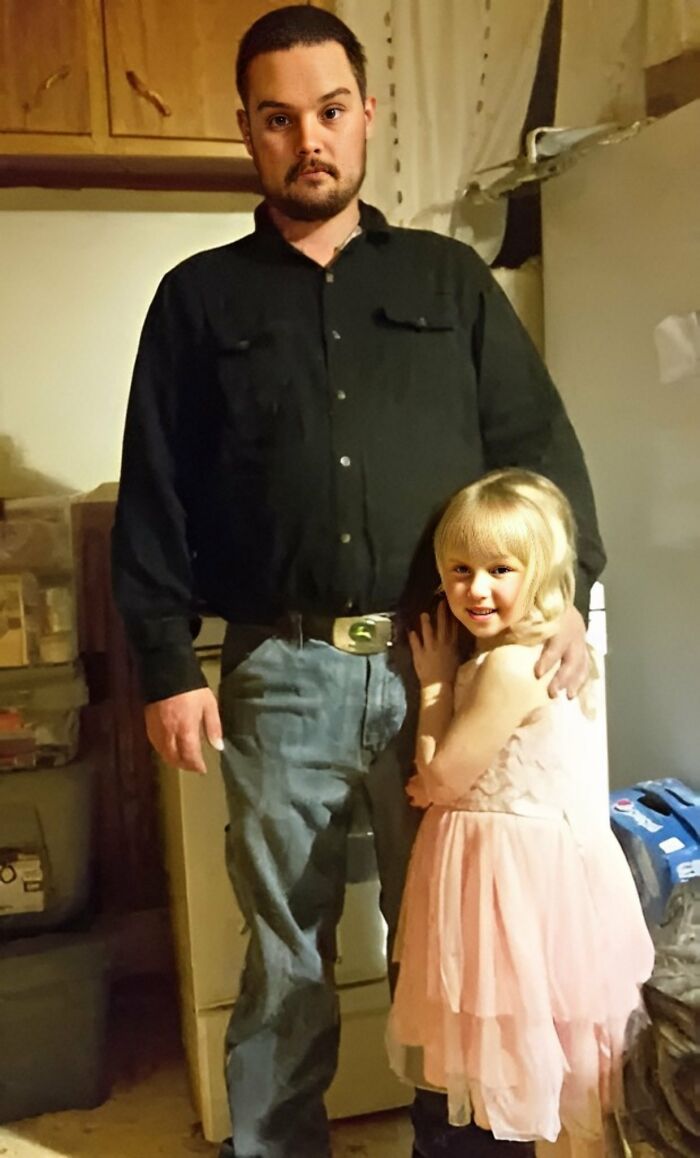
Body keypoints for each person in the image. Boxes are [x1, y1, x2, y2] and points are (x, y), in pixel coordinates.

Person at [111, 7, 607, 1157]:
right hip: (279, 670)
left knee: (447, 937)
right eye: (278, 119)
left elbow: (541, 450)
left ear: (367, 115)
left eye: (330, 112)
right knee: (286, 948)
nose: (309, 140)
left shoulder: (450, 278)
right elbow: (154, 489)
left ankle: (459, 1144)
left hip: (452, 666)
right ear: (248, 130)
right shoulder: (196, 299)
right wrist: (164, 663)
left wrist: (568, 599)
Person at [387, 469, 654, 1157]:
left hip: (509, 883)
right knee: (529, 1044)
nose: (476, 590)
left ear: (541, 572)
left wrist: (433, 686)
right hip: (509, 869)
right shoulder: (507, 656)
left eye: (500, 570)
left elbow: (441, 777)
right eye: (459, 570)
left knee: (520, 1044)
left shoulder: (507, 669)